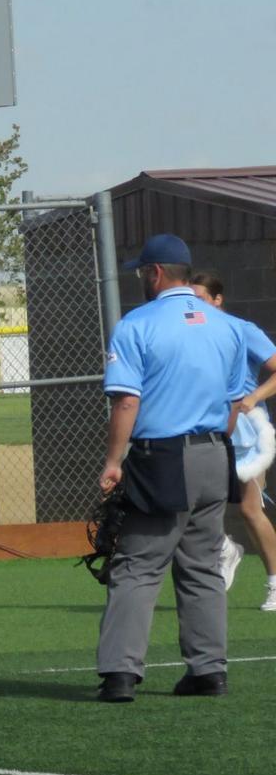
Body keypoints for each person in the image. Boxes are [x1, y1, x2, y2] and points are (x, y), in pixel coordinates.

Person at [95, 234, 248, 703]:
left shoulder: (138, 324)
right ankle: (208, 672)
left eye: (143, 270)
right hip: (214, 454)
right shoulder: (228, 327)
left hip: (161, 455)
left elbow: (126, 399)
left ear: (156, 272)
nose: (141, 277)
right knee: (202, 565)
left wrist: (114, 461)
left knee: (139, 565)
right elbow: (235, 400)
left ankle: (120, 674)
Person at [190, 273, 276, 610]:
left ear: (217, 300)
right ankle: (225, 548)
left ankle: (274, 583)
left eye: (200, 298)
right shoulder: (191, 336)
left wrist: (254, 397)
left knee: (250, 508)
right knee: (188, 502)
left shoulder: (243, 330)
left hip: (247, 432)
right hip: (206, 427)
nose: (194, 305)